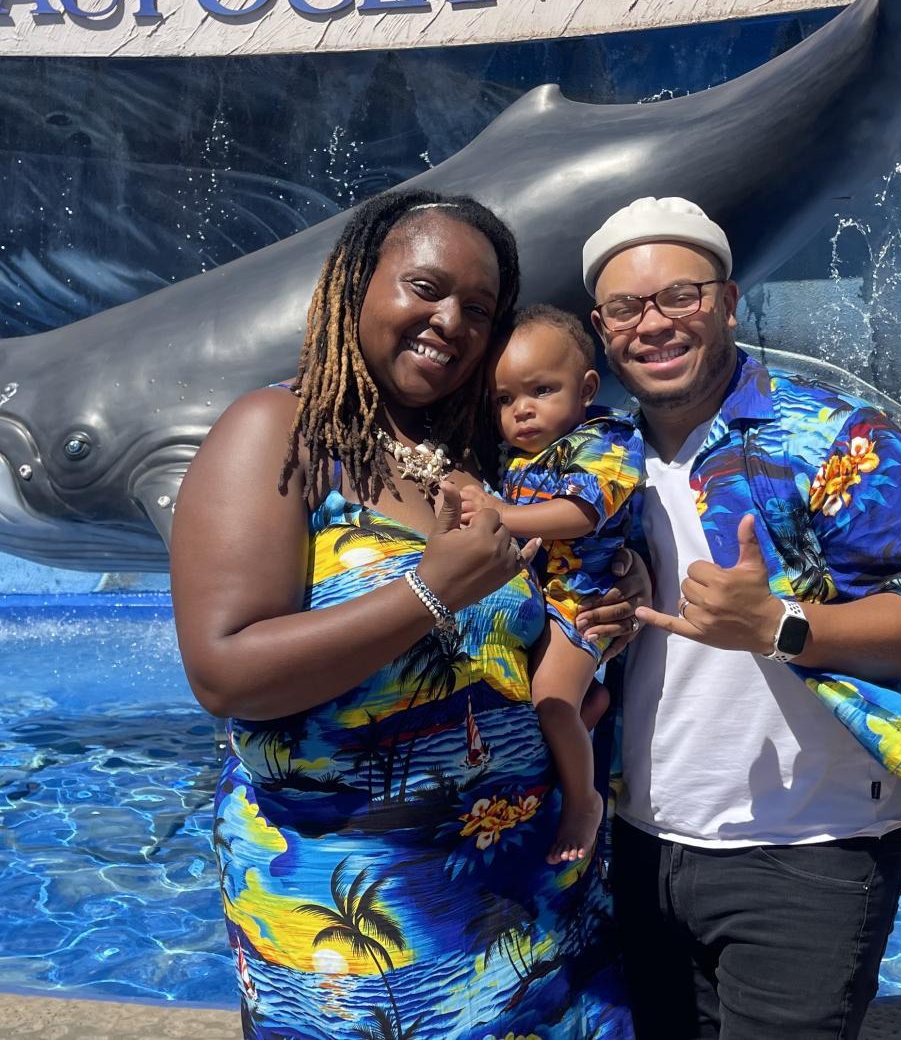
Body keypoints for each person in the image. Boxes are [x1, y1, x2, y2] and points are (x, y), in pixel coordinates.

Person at [170, 190, 640, 1040]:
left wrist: (608, 605)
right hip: (359, 923)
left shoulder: (480, 459)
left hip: (534, 889)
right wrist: (428, 590)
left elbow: (513, 647)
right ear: (355, 286)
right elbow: (223, 669)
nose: (450, 320)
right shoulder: (277, 430)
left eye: (478, 308)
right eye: (425, 288)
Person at [578, 196, 901, 1040]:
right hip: (643, 842)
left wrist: (781, 626)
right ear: (601, 327)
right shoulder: (600, 458)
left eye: (682, 295)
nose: (655, 324)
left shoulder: (834, 437)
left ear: (729, 302)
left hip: (808, 853)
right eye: (627, 307)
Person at [460, 304, 644, 866]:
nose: (523, 411)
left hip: (580, 605)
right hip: (541, 603)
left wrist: (497, 512)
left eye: (542, 390)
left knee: (549, 702)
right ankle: (588, 711)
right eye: (506, 399)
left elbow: (581, 513)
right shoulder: (521, 458)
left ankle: (584, 801)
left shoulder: (606, 439)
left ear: (587, 387)